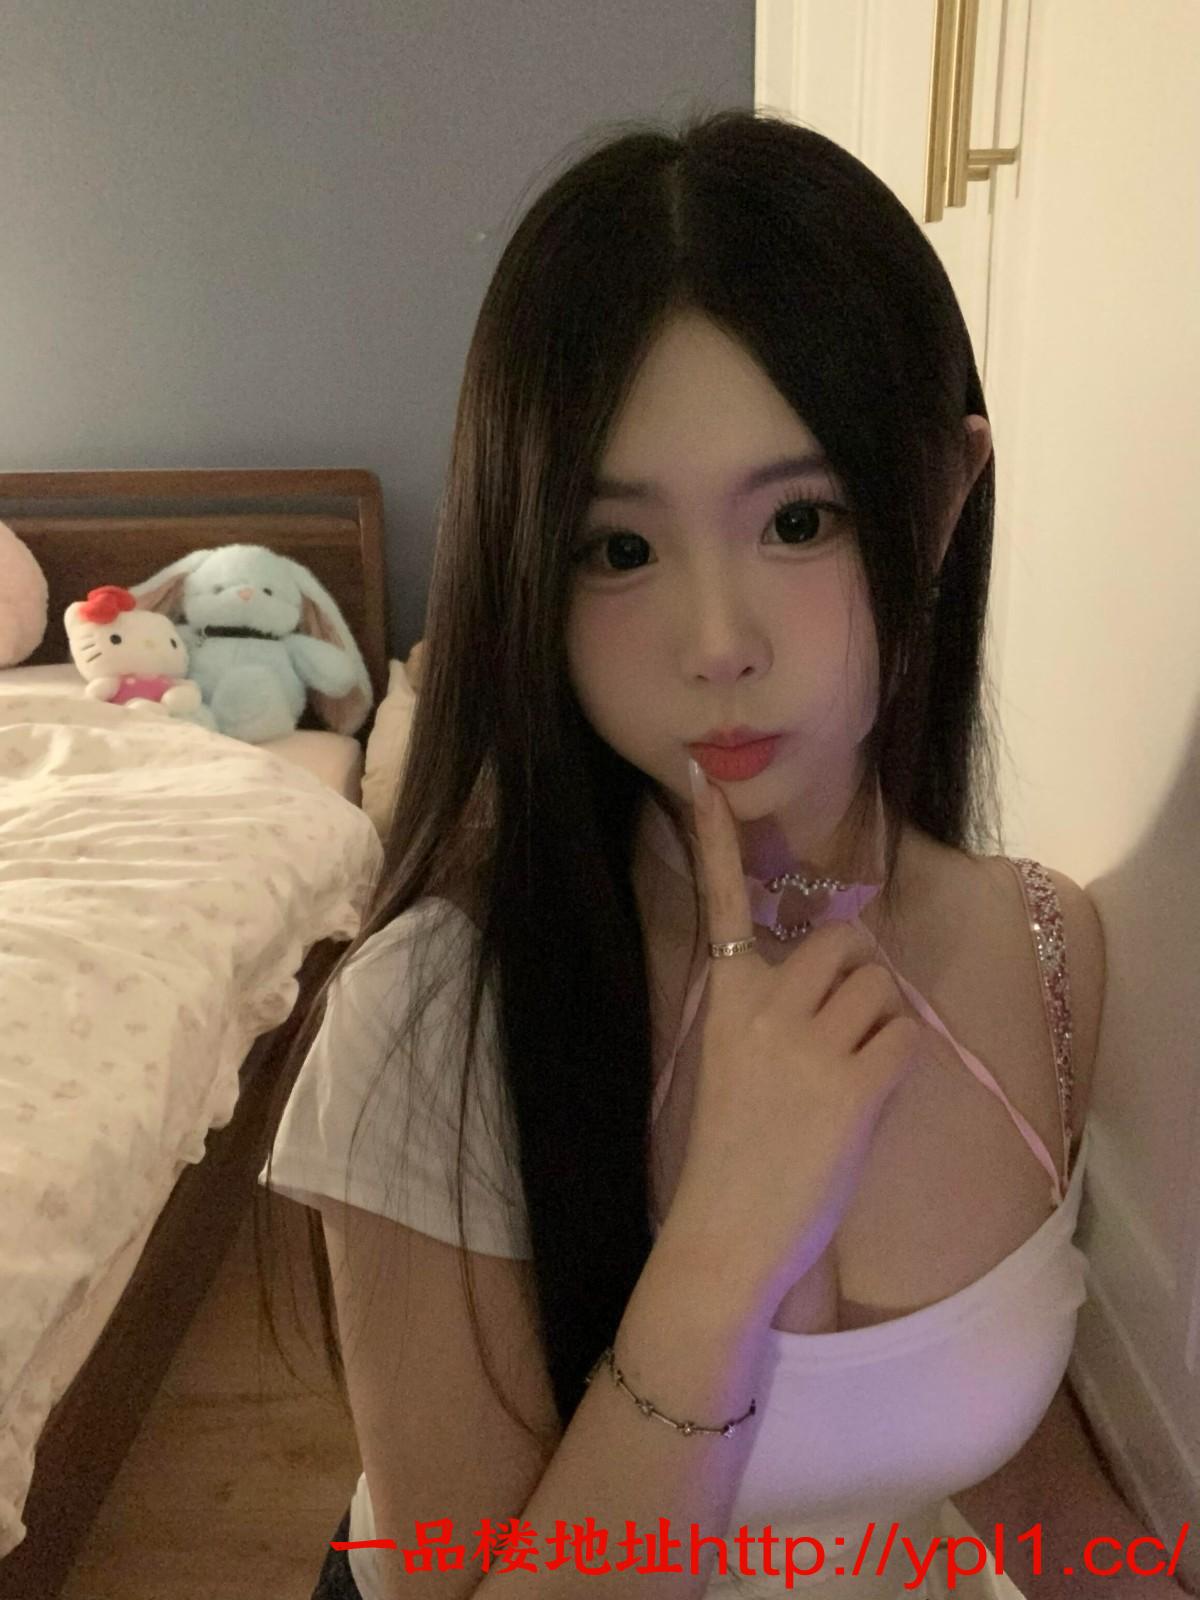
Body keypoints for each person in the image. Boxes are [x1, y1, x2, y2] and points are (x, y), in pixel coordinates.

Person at [257, 106, 1109, 1600]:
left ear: (940, 499)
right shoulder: (431, 1023)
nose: (717, 643)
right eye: (621, 549)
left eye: (801, 518)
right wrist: (725, 1238)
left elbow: (1019, 1471)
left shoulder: (1051, 958)